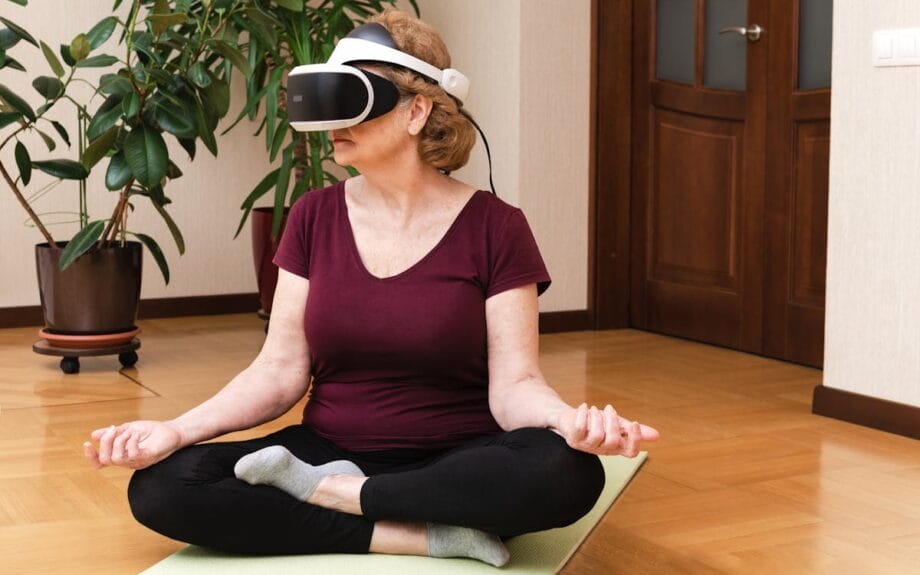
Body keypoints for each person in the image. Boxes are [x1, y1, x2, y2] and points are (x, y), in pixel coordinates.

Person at [83, 9, 659, 568]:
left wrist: (569, 421)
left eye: (352, 103)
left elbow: (517, 385)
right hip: (329, 448)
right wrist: (174, 429)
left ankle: (344, 498)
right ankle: (411, 533)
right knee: (163, 485)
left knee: (569, 472)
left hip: (459, 458)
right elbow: (278, 370)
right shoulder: (313, 216)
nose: (336, 125)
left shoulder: (496, 226)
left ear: (416, 112)